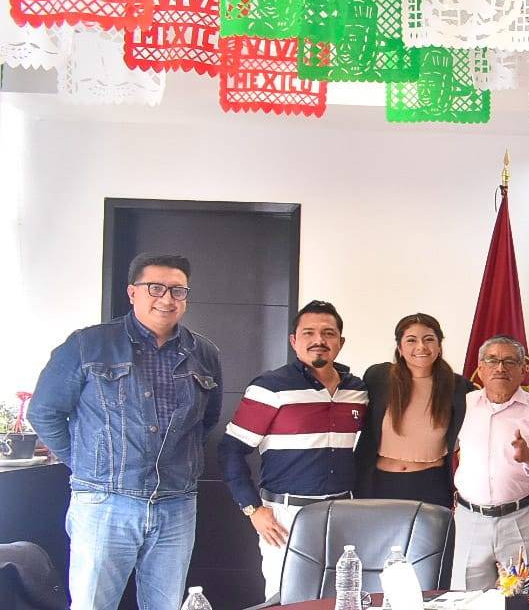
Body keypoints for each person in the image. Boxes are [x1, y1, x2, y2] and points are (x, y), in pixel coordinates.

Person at [30, 253, 222, 610]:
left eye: (177, 290)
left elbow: (206, 420)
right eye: (155, 288)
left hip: (176, 504)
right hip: (104, 503)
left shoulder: (204, 353)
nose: (167, 299)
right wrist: (89, 464)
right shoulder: (88, 345)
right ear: (132, 292)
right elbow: (44, 412)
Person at [219, 300, 368, 600]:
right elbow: (230, 450)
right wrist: (253, 509)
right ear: (293, 340)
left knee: (340, 596)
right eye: (308, 333)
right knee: (285, 598)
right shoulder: (270, 387)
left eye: (328, 333)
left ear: (341, 342)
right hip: (285, 518)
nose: (318, 340)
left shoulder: (357, 391)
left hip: (342, 512)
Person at [452, 336, 529, 591]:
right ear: (480, 369)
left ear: (523, 370)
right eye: (492, 360)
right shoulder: (463, 405)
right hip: (469, 520)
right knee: (466, 599)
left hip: (521, 519)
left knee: (521, 598)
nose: (500, 368)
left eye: (510, 361)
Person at [354, 313, 474, 507]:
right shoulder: (378, 377)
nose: (421, 346)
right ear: (400, 348)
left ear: (439, 346)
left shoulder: (457, 386)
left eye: (429, 339)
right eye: (411, 340)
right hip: (379, 484)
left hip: (432, 485)